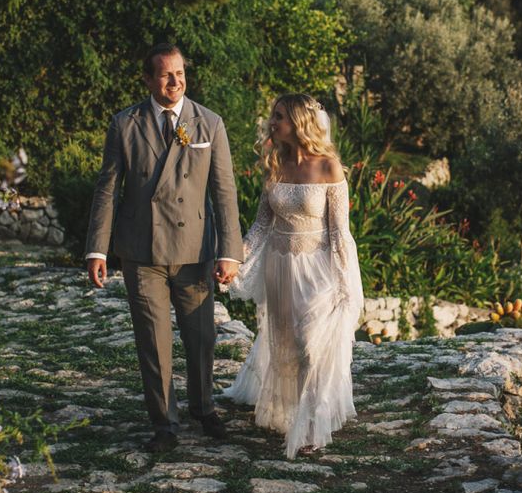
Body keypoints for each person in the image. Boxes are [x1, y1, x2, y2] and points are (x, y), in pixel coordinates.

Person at [86, 43, 244, 452]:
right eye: (165, 75)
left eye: (180, 73)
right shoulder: (125, 124)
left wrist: (230, 250)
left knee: (201, 338)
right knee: (153, 342)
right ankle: (164, 424)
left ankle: (204, 407)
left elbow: (224, 191)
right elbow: (108, 189)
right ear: (147, 79)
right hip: (142, 250)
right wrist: (97, 250)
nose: (175, 81)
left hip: (195, 250)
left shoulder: (209, 123)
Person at [225, 93, 364, 459]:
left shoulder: (328, 167)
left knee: (310, 345)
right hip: (280, 267)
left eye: (280, 117)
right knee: (287, 349)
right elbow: (261, 224)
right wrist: (236, 256)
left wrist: (346, 280)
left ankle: (312, 428)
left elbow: (340, 232)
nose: (273, 122)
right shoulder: (275, 166)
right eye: (274, 115)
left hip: (318, 268)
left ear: (299, 122)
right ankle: (294, 416)